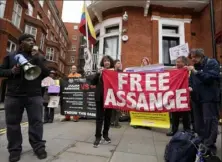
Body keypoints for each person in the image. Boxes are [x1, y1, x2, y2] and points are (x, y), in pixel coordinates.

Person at [0, 34, 49, 162]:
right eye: (28, 40)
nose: (32, 42)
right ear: (21, 43)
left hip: (34, 95)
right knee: (12, 124)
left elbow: (46, 73)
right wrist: (11, 72)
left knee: (37, 122)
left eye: (33, 40)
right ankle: (15, 150)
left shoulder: (38, 57)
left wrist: (37, 58)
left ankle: (38, 147)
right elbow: (1, 71)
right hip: (13, 95)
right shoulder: (10, 56)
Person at [188, 48, 220, 154]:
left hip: (209, 98)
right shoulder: (194, 67)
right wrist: (190, 87)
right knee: (198, 122)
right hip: (196, 98)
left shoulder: (212, 63)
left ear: (201, 56)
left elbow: (210, 78)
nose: (193, 59)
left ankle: (209, 144)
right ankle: (201, 140)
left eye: (195, 57)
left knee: (210, 121)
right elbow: (192, 80)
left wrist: (196, 72)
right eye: (191, 57)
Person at [90, 55, 114, 148]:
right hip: (100, 97)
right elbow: (92, 82)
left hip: (110, 98)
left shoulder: (114, 72)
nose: (106, 62)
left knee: (108, 117)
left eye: (108, 61)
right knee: (99, 118)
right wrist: (97, 74)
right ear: (103, 63)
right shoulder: (100, 72)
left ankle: (105, 135)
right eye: (105, 61)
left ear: (110, 62)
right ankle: (98, 137)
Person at [166, 56, 191, 136]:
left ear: (184, 63)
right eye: (177, 62)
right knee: (174, 114)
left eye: (179, 62)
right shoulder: (174, 70)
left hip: (184, 95)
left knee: (185, 114)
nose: (177, 63)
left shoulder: (188, 70)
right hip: (175, 95)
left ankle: (187, 130)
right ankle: (174, 130)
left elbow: (191, 81)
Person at [111, 59, 122, 128]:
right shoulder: (111, 72)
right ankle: (112, 122)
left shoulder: (121, 72)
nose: (119, 64)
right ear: (115, 64)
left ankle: (116, 122)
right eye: (118, 63)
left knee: (118, 108)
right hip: (112, 92)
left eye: (120, 63)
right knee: (112, 108)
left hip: (119, 92)